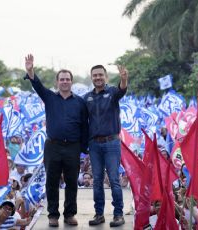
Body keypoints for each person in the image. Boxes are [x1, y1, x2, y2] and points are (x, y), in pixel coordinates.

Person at [24, 54, 88, 227]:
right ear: (57, 82)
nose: (65, 82)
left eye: (67, 79)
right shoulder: (50, 98)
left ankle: (69, 214)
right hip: (53, 146)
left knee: (72, 182)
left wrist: (84, 148)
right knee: (51, 182)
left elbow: (84, 126)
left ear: (71, 82)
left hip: (73, 148)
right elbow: (38, 86)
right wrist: (31, 71)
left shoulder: (80, 103)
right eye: (62, 79)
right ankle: (53, 215)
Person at [84, 64, 128, 227]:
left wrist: (124, 79)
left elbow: (122, 89)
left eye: (100, 75)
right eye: (95, 75)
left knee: (114, 180)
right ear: (92, 77)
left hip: (112, 143)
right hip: (94, 144)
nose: (98, 78)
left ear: (106, 77)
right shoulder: (86, 98)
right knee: (97, 181)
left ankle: (118, 214)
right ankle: (99, 214)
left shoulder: (112, 93)